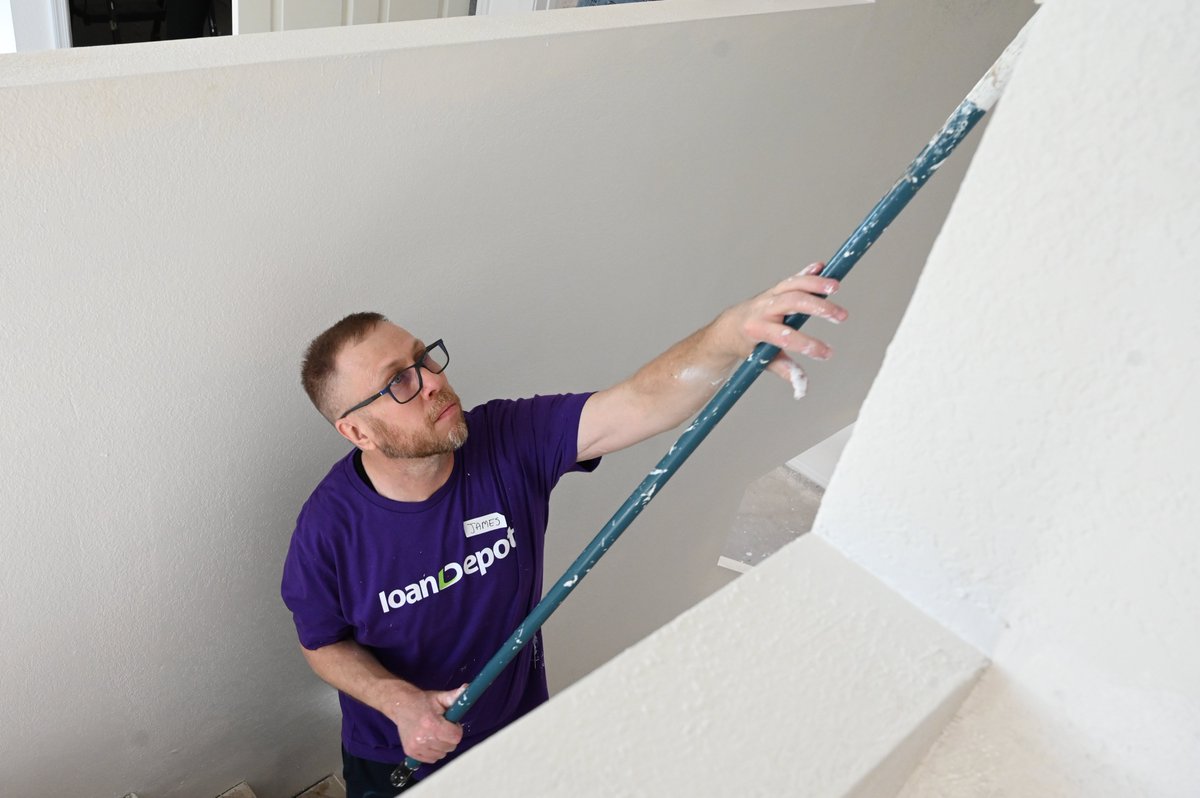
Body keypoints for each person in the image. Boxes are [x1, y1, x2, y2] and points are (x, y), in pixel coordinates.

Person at [280, 263, 847, 796]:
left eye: (424, 358)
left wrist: (728, 335)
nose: (432, 381)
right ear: (358, 431)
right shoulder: (328, 530)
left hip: (519, 725)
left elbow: (636, 404)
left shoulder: (507, 438)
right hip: (397, 753)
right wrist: (402, 704)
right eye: (398, 382)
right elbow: (322, 644)